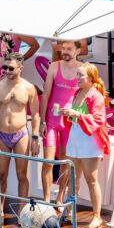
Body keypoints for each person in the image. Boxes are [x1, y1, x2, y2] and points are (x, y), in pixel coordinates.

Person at [0, 52, 40, 224]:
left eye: (11, 68)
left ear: (20, 68)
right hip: (1, 135)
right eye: (5, 67)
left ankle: (22, 212)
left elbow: (36, 114)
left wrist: (35, 138)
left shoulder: (29, 88)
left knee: (21, 174)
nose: (7, 71)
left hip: (21, 134)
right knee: (0, 175)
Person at [61, 63, 110, 228]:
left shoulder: (96, 96)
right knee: (72, 178)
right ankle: (68, 210)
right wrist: (68, 114)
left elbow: (98, 120)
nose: (77, 78)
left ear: (90, 78)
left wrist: (77, 114)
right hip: (75, 138)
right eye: (77, 75)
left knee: (91, 179)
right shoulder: (78, 92)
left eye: (80, 75)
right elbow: (78, 117)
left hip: (89, 141)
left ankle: (97, 216)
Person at [39, 40, 81, 204]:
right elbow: (46, 94)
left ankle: (59, 198)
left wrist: (78, 115)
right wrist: (42, 121)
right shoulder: (54, 66)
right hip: (51, 120)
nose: (65, 51)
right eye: (63, 48)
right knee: (48, 162)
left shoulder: (82, 69)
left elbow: (85, 96)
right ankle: (46, 199)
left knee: (65, 161)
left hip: (69, 122)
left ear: (77, 51)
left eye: (69, 49)